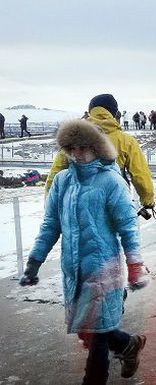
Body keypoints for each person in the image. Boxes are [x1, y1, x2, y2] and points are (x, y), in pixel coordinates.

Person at [20, 119, 149, 385]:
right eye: (72, 148)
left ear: (97, 148)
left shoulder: (111, 182)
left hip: (104, 268)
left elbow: (128, 228)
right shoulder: (62, 182)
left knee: (97, 336)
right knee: (93, 328)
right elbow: (51, 225)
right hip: (74, 270)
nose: (77, 154)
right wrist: (35, 261)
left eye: (83, 147)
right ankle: (128, 345)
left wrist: (135, 265)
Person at [45, 94, 155, 214]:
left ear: (90, 112)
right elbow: (140, 174)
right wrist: (147, 200)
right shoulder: (126, 141)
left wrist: (50, 206)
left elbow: (55, 173)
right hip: (115, 205)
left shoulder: (73, 138)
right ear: (113, 113)